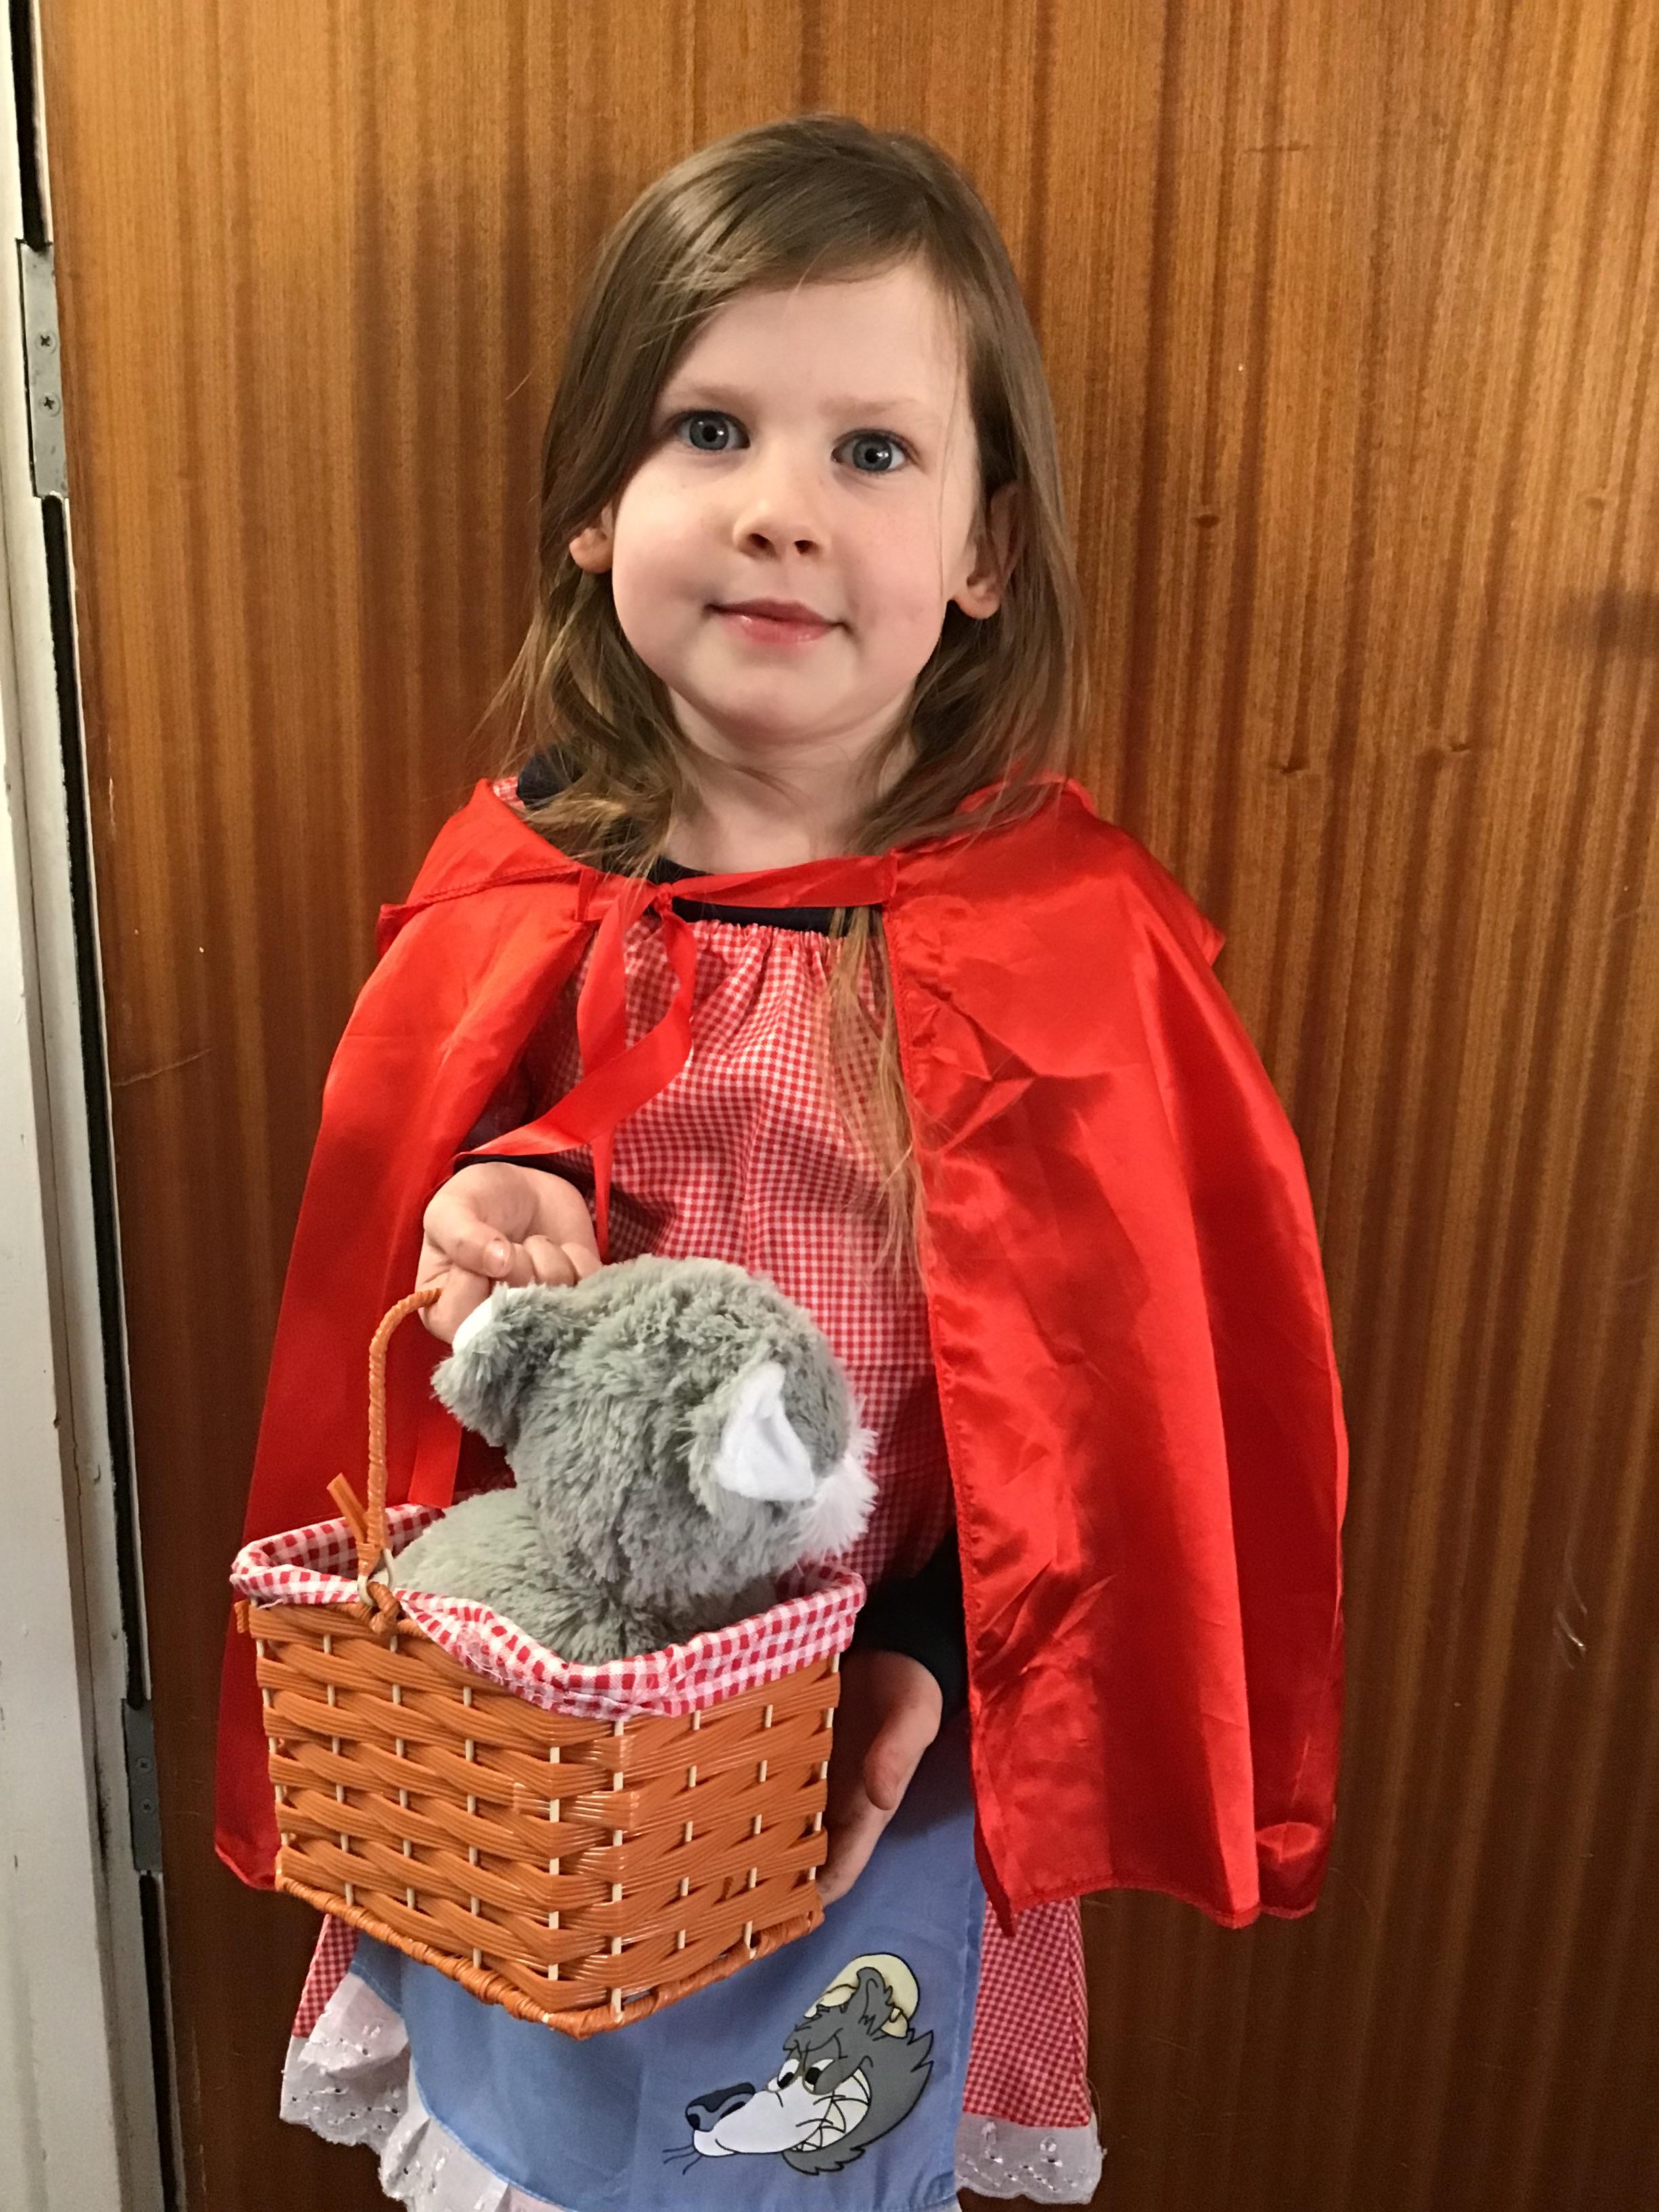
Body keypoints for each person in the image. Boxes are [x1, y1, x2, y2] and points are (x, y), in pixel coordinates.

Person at [219, 113, 1347, 2212]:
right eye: (710, 428)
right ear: (596, 507)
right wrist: (510, 1200)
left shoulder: (1067, 939)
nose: (779, 510)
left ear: (986, 549)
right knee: (549, 2140)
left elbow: (1102, 1399)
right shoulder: (521, 885)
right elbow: (455, 1255)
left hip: (889, 1714)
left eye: (873, 451)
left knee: (831, 2138)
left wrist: (933, 1654)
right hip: (567, 1726)